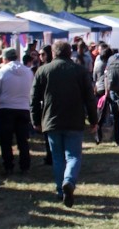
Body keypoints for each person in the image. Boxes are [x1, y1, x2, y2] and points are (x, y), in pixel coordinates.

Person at [32, 40, 98, 208]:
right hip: (74, 119)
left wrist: (35, 120)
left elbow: (33, 99)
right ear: (70, 53)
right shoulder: (80, 71)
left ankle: (61, 190)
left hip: (51, 120)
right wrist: (93, 120)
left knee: (57, 157)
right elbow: (90, 98)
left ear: (53, 53)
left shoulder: (43, 70)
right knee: (73, 156)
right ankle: (68, 181)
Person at [0, 47, 33, 175]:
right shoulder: (28, 71)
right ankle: (25, 166)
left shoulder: (2, 71)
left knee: (6, 140)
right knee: (22, 140)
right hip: (23, 108)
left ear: (5, 58)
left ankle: (8, 165)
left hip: (6, 108)